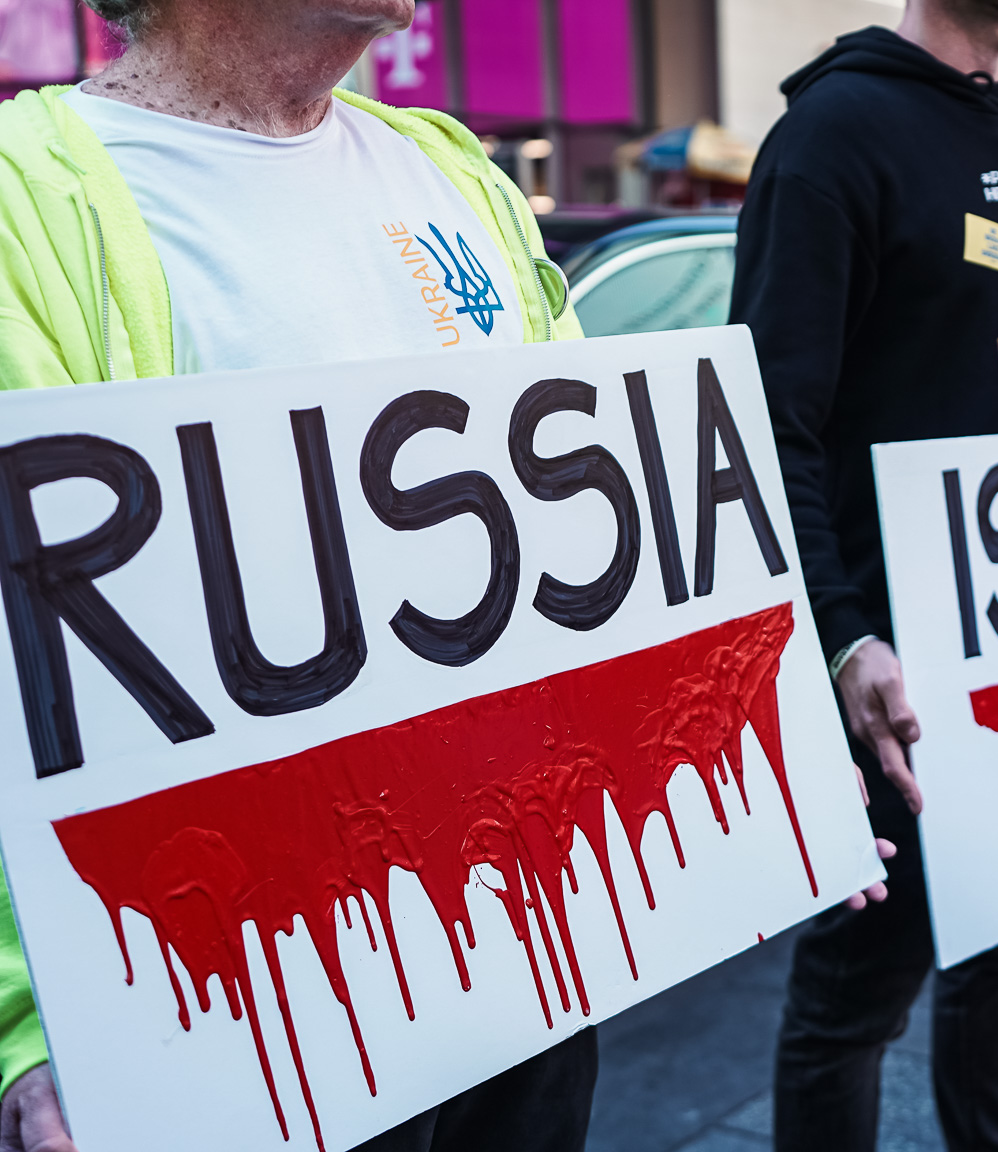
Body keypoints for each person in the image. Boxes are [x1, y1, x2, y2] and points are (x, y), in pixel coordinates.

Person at [0, 5, 892, 1151]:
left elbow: (600, 552)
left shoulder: (448, 171)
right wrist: (27, 1024)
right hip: (248, 988)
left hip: (509, 942)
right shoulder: (32, 204)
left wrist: (765, 789)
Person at [730, 1, 998, 1147]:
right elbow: (765, 426)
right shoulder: (832, 136)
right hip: (898, 669)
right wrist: (842, 636)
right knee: (856, 997)